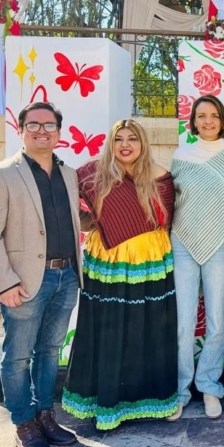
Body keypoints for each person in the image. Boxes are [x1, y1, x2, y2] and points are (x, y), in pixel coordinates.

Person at [0, 102, 81, 447]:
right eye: (33, 125)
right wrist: (4, 282)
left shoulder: (69, 174)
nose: (41, 131)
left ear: (58, 132)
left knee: (50, 351)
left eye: (49, 125)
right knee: (18, 356)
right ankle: (23, 422)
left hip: (66, 276)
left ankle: (45, 415)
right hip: (23, 282)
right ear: (21, 130)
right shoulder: (0, 173)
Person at [61, 119, 178, 430]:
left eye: (133, 139)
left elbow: (167, 220)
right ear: (110, 144)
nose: (126, 145)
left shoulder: (161, 177)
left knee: (150, 327)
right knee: (109, 328)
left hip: (150, 259)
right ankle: (107, 403)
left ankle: (153, 401)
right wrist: (93, 220)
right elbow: (75, 211)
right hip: (108, 261)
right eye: (119, 139)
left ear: (143, 144)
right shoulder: (92, 174)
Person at [168, 95, 224, 420]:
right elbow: (172, 202)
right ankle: (180, 391)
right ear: (193, 121)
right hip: (182, 242)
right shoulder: (181, 156)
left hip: (221, 245)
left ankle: (209, 386)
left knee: (218, 319)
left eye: (214, 116)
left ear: (222, 120)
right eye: (201, 116)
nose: (207, 121)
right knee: (183, 321)